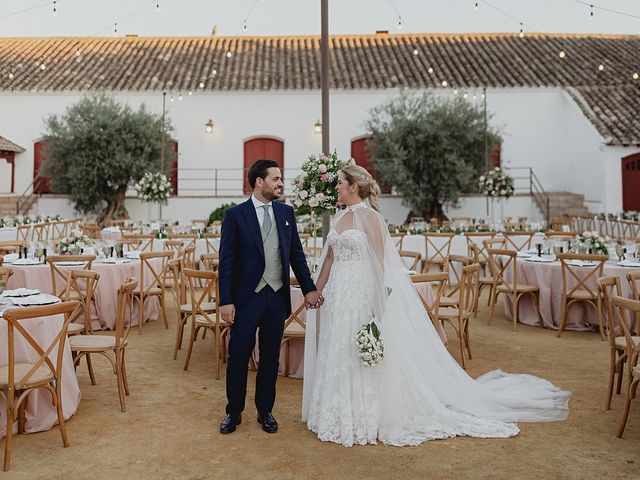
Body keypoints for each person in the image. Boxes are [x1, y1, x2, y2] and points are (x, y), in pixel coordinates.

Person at [302, 162, 570, 447]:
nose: (336, 187)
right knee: (340, 348)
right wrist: (316, 292)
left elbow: (379, 263)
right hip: (340, 294)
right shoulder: (339, 216)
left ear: (353, 186)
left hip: (360, 294)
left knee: (364, 351)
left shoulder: (371, 218)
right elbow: (329, 259)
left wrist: (375, 303)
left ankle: (366, 413)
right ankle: (340, 410)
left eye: (340, 182)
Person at [218, 159, 323, 434]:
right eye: (275, 178)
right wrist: (225, 300)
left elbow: (296, 256)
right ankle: (234, 411)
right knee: (239, 354)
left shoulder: (286, 213)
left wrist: (309, 288)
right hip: (245, 299)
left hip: (276, 297)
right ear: (259, 182)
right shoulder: (235, 215)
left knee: (269, 358)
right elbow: (226, 262)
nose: (280, 183)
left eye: (280, 179)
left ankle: (265, 411)